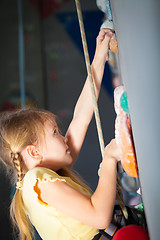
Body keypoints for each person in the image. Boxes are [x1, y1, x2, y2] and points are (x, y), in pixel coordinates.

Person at [0, 29, 120, 240]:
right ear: (34, 151)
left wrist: (98, 60)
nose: (63, 136)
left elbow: (80, 119)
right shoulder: (38, 180)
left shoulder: (40, 178)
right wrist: (109, 159)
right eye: (54, 132)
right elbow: (100, 217)